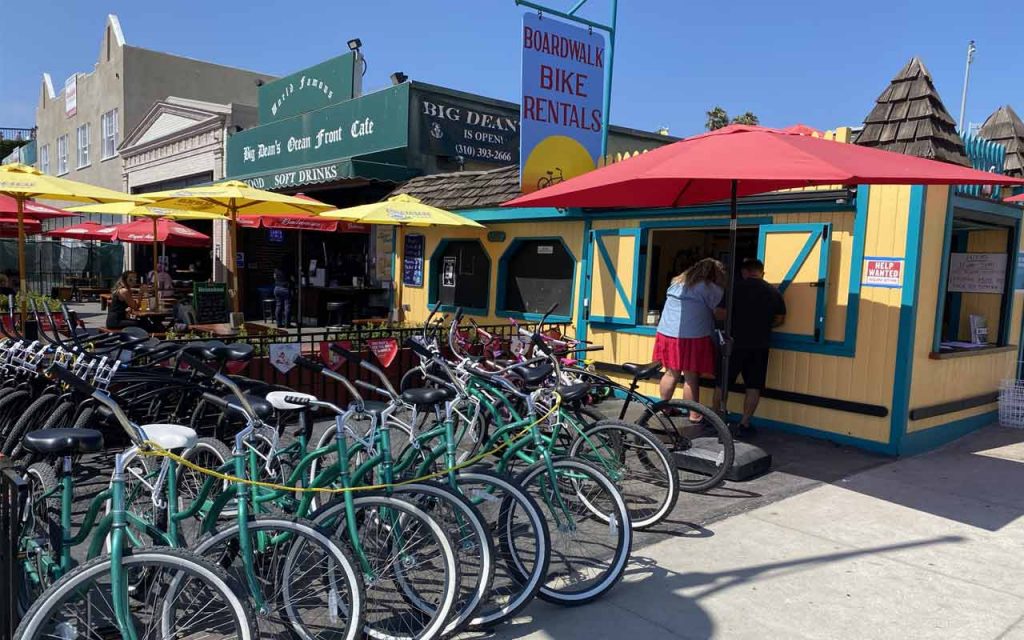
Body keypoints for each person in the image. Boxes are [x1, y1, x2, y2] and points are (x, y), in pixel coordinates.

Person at [713, 258, 786, 437]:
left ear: (744, 272)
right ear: (762, 272)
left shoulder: (734, 288)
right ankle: (745, 423)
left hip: (734, 343)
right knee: (754, 385)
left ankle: (716, 421)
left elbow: (720, 313)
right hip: (760, 344)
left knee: (723, 383)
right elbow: (780, 318)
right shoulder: (772, 291)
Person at [653, 258, 727, 424]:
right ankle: (694, 414)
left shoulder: (676, 282)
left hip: (666, 333)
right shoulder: (711, 288)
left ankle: (664, 409)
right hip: (693, 336)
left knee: (671, 373)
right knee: (691, 377)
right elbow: (719, 314)